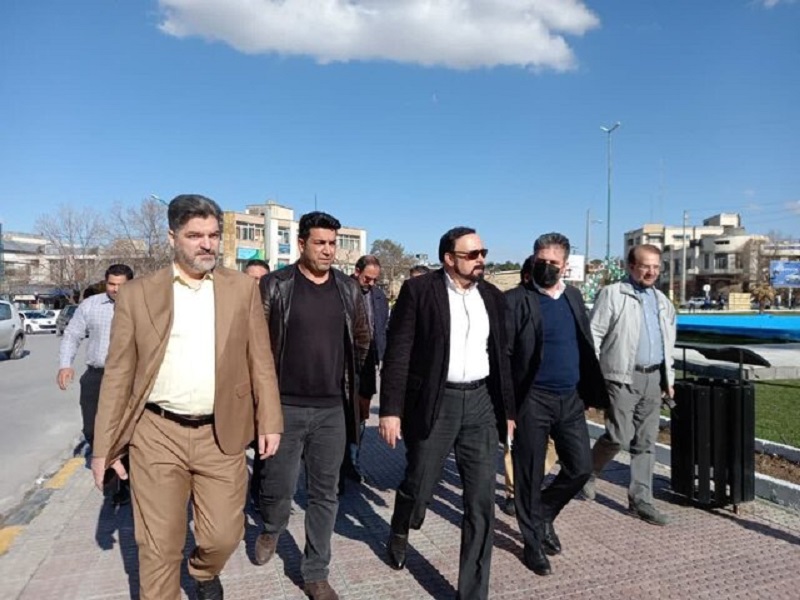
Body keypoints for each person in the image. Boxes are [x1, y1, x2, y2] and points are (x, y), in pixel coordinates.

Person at [91, 194, 283, 600]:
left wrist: (269, 419)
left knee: (224, 536)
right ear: (172, 237)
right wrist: (103, 447)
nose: (206, 244)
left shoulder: (241, 289)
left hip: (221, 434)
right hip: (156, 434)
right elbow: (118, 375)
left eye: (213, 235)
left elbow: (260, 359)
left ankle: (202, 571)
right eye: (195, 235)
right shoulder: (138, 294)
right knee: (158, 545)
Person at [380, 226, 514, 600]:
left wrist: (508, 410)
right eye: (472, 255)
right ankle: (402, 525)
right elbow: (398, 353)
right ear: (449, 259)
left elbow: (501, 357)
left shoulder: (492, 296)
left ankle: (472, 593)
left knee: (481, 502)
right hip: (436, 402)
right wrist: (390, 410)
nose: (481, 260)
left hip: (481, 404)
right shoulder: (419, 292)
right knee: (419, 484)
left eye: (483, 253)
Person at [255, 211, 370, 600]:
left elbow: (361, 340)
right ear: (301, 243)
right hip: (284, 407)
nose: (328, 250)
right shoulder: (276, 285)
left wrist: (350, 385)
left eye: (333, 243)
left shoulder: (348, 289)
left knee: (325, 493)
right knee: (278, 486)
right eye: (320, 243)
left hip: (332, 411)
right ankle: (272, 527)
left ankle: (316, 572)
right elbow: (257, 344)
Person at [505, 233, 608, 577]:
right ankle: (532, 543)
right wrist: (508, 409)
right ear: (533, 260)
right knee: (529, 474)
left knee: (580, 468)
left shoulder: (573, 297)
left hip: (570, 398)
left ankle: (544, 513)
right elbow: (504, 356)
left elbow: (584, 344)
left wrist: (589, 392)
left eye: (553, 262)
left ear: (565, 266)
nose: (546, 267)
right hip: (532, 400)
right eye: (541, 261)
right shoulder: (516, 300)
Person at [583, 244, 676, 527]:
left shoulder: (662, 302)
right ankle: (587, 472)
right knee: (619, 436)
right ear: (631, 266)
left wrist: (668, 379)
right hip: (621, 376)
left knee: (646, 442)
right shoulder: (613, 294)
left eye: (656, 267)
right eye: (646, 266)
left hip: (653, 379)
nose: (651, 272)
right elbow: (594, 335)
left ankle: (641, 501)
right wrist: (591, 377)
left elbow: (668, 343)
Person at [57, 264, 134, 504]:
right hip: (97, 375)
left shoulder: (142, 305)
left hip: (130, 378)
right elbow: (72, 335)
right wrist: (65, 364)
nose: (115, 289)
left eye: (121, 285)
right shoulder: (91, 305)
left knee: (128, 431)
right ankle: (112, 470)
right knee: (92, 429)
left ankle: (123, 482)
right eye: (111, 284)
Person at [500, 256, 558, 518]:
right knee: (514, 442)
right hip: (522, 387)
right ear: (526, 277)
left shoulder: (559, 301)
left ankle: (529, 480)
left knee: (555, 445)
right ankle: (514, 493)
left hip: (555, 388)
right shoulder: (512, 301)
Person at [343, 254, 390, 483]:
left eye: (374, 280)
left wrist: (383, 358)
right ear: (357, 271)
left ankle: (352, 461)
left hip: (368, 363)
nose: (370, 283)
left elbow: (381, 329)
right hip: (344, 362)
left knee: (361, 413)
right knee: (342, 414)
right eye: (367, 278)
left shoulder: (379, 296)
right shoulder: (342, 290)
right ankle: (339, 463)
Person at [243, 257, 272, 505]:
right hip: (237, 391)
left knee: (265, 446)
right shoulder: (231, 307)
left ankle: (259, 492)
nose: (257, 284)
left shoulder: (275, 308)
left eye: (262, 280)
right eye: (252, 279)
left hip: (265, 388)